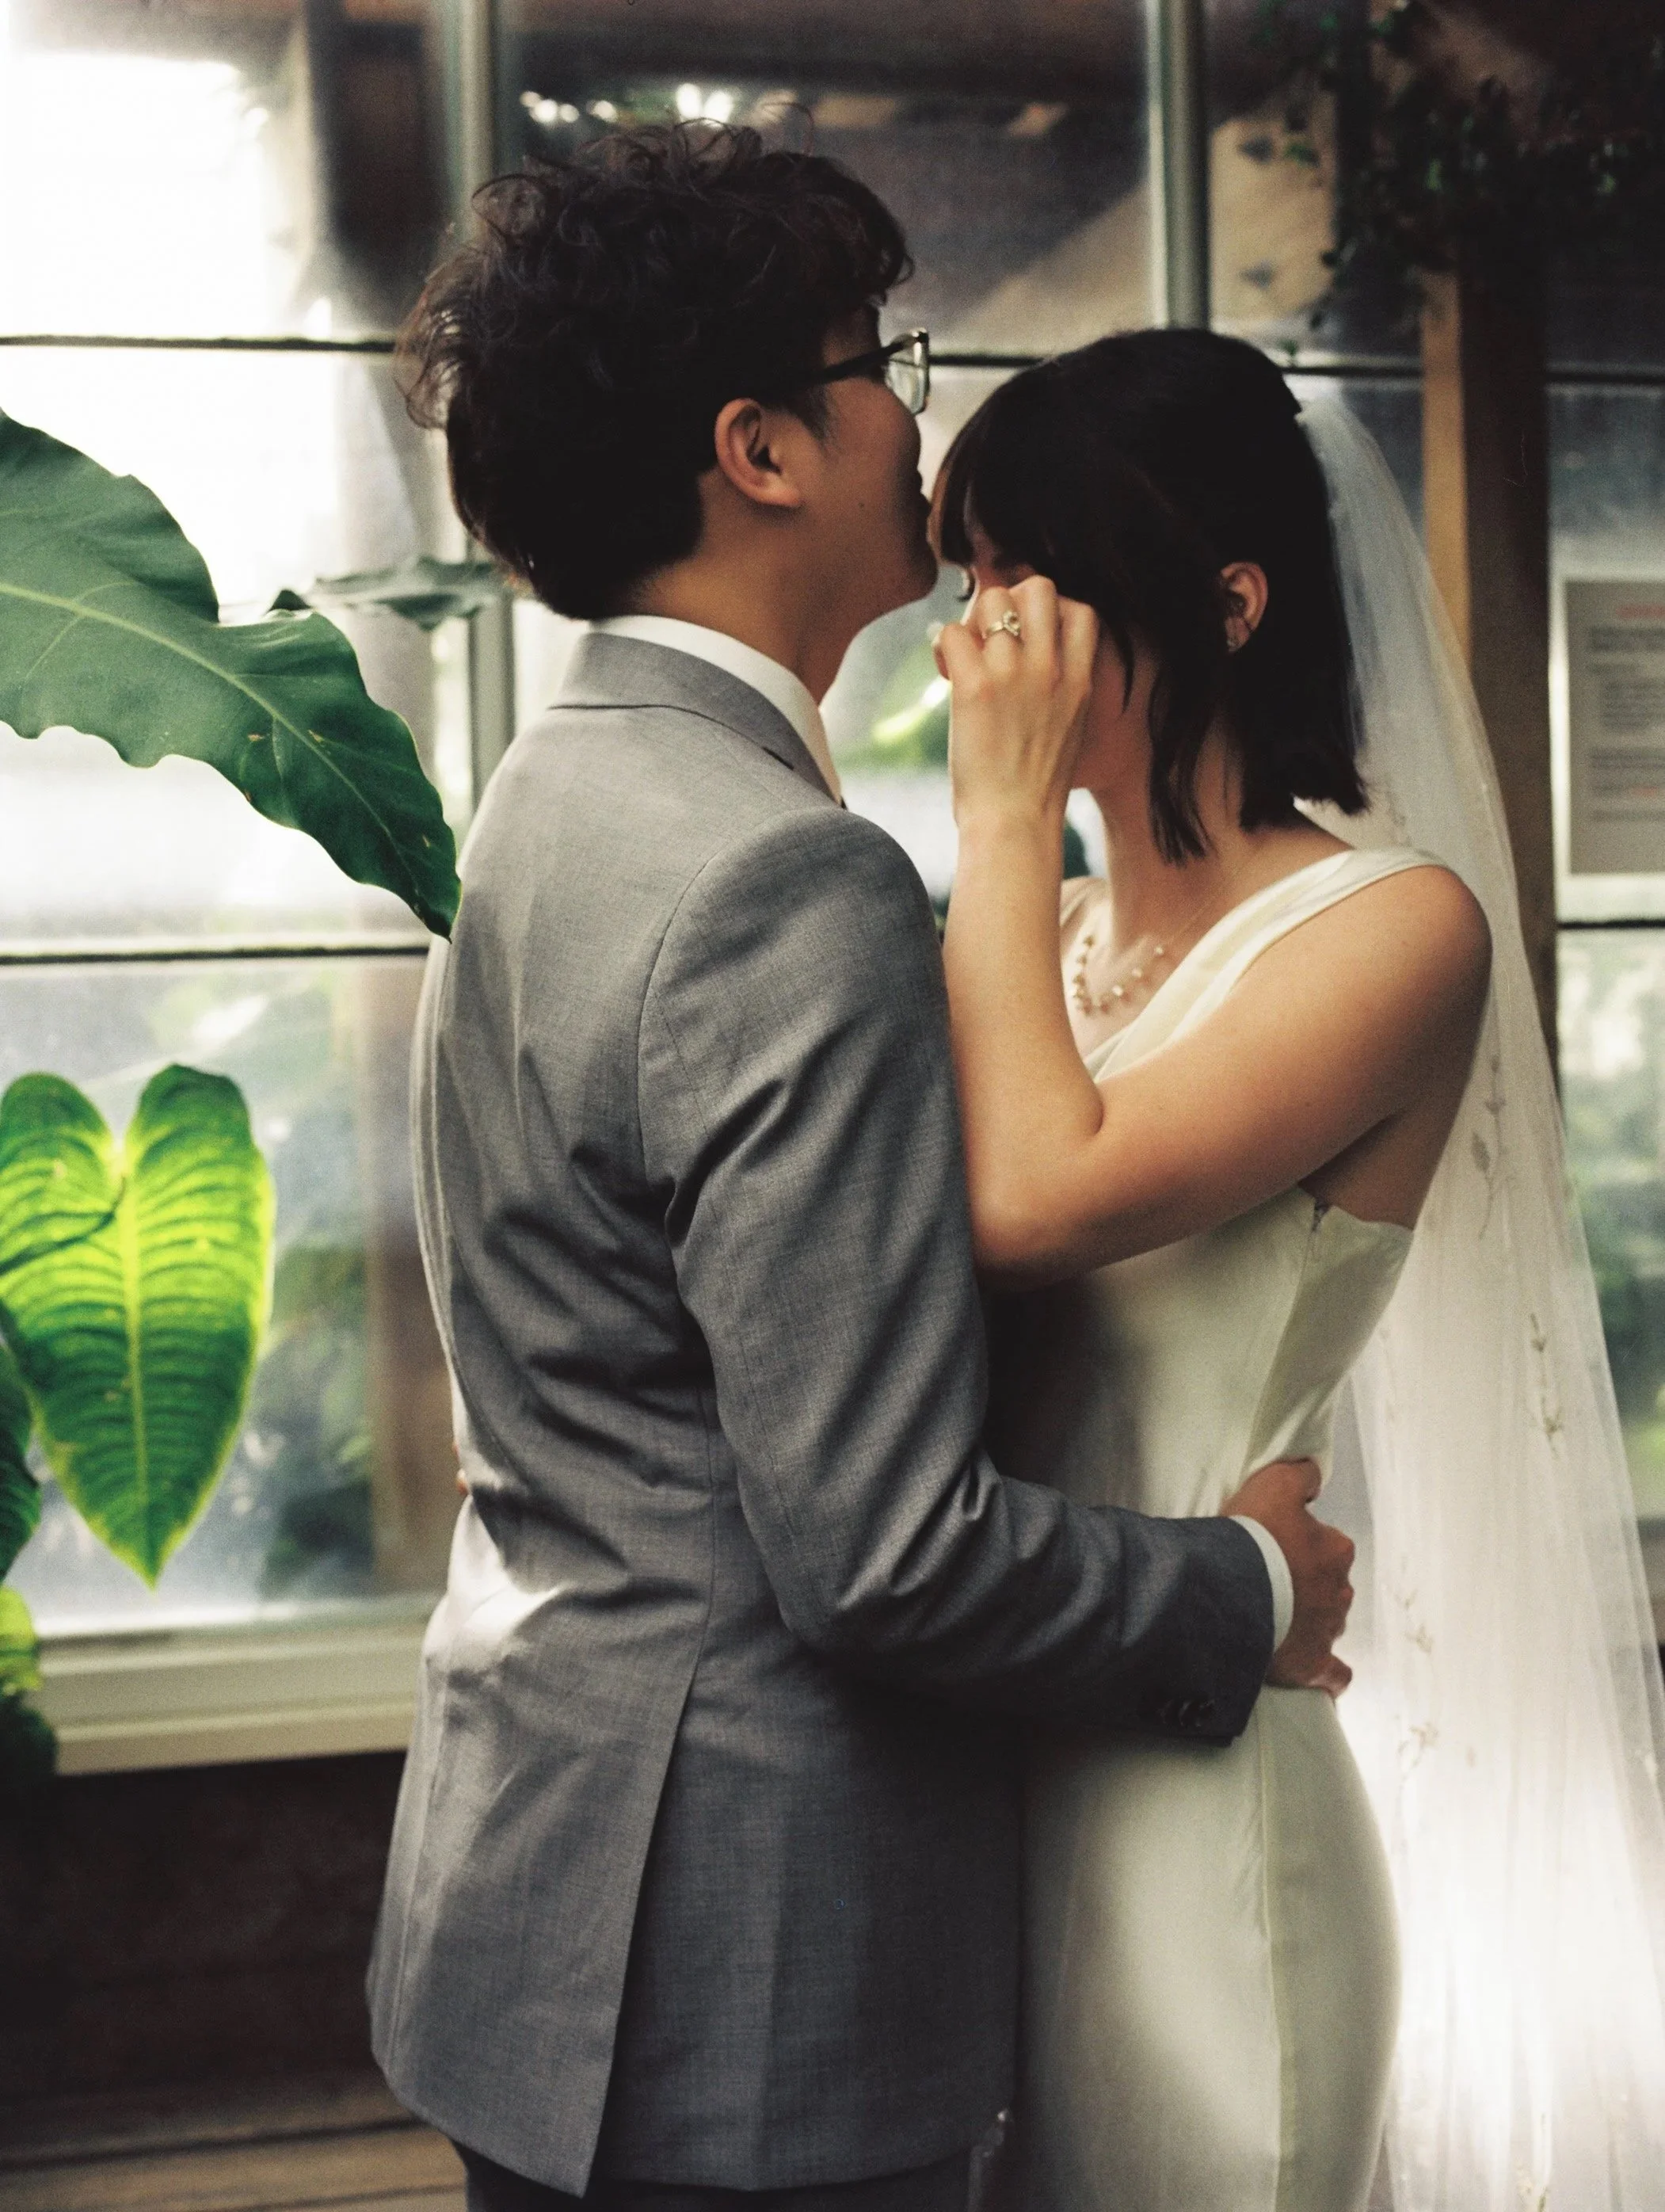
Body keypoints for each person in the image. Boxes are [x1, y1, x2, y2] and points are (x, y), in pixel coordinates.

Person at [364, 128, 1358, 2212]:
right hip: (751, 1978)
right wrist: (1240, 1584)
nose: (912, 411)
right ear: (758, 449)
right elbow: (876, 1550)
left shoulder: (544, 791)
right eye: (874, 361)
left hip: (537, 1910)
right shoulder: (781, 882)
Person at [932, 328, 1665, 2211]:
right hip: (978, 1765)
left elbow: (1031, 1197)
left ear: (1225, 602)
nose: (977, 643)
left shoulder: (1392, 928)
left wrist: (995, 821)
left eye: (1027, 583)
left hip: (1201, 1825)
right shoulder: (1040, 930)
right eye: (968, 586)